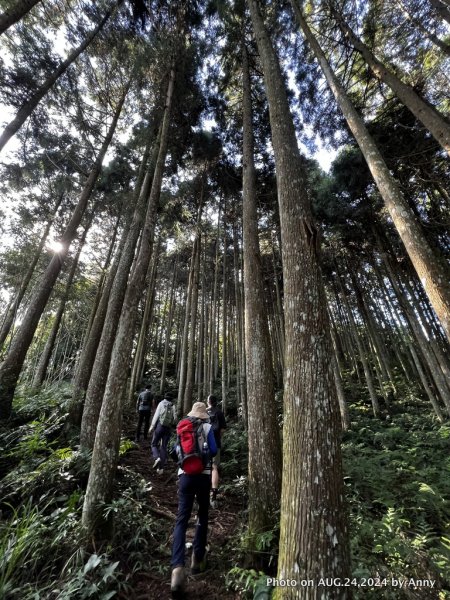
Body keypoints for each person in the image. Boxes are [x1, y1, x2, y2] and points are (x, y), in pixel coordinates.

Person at [170, 401, 217, 598]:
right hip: (204, 476)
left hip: (185, 477)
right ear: (203, 415)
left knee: (181, 520)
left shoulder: (183, 425)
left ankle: (177, 567)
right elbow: (213, 450)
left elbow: (174, 452)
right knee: (202, 514)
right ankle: (197, 558)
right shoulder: (207, 427)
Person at [206, 394, 227, 508]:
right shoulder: (219, 412)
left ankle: (200, 493)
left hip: (204, 444)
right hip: (216, 443)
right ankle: (213, 494)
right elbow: (223, 428)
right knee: (214, 467)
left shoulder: (204, 412)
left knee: (202, 466)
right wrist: (218, 437)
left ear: (209, 401)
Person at [149, 391, 176, 474]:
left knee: (154, 443)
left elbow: (156, 415)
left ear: (165, 397)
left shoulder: (161, 403)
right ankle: (161, 469)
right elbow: (175, 418)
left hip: (160, 427)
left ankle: (157, 457)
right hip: (168, 428)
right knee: (164, 447)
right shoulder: (173, 405)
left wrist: (152, 426)